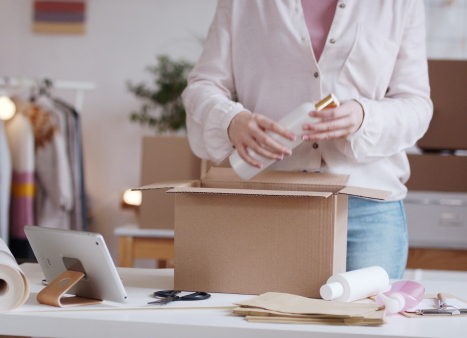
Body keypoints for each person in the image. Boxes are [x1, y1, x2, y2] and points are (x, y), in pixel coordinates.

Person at [181, 0, 433, 279]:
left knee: (364, 318)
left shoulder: (401, 4)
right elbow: (202, 85)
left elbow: (417, 104)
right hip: (271, 200)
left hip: (367, 208)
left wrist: (364, 115)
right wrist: (230, 120)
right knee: (266, 318)